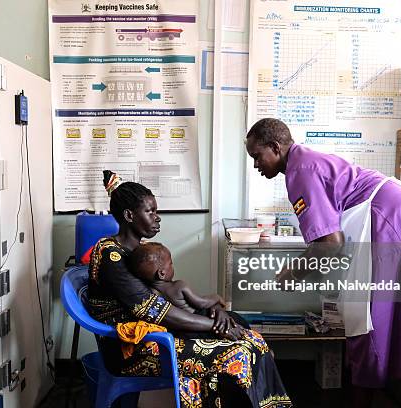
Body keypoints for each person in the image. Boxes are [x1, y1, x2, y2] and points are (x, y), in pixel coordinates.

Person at [245, 118, 401, 402]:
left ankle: (367, 397)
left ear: (275, 147)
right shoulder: (305, 162)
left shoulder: (300, 172)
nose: (256, 165)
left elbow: (330, 243)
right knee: (396, 313)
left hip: (389, 217)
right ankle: (389, 391)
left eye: (257, 156)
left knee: (365, 316)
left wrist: (295, 272)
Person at [88, 170, 292, 408]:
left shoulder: (138, 253)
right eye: (150, 211)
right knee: (239, 351)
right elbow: (154, 311)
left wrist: (218, 314)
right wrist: (214, 325)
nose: (157, 217)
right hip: (133, 349)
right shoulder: (111, 256)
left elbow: (167, 297)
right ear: (129, 215)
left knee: (244, 329)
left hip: (157, 335)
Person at [131, 241, 250, 337]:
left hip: (182, 332)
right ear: (162, 273)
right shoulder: (179, 286)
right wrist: (216, 297)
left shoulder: (150, 294)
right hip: (199, 321)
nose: (173, 266)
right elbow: (201, 303)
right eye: (171, 263)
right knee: (237, 319)